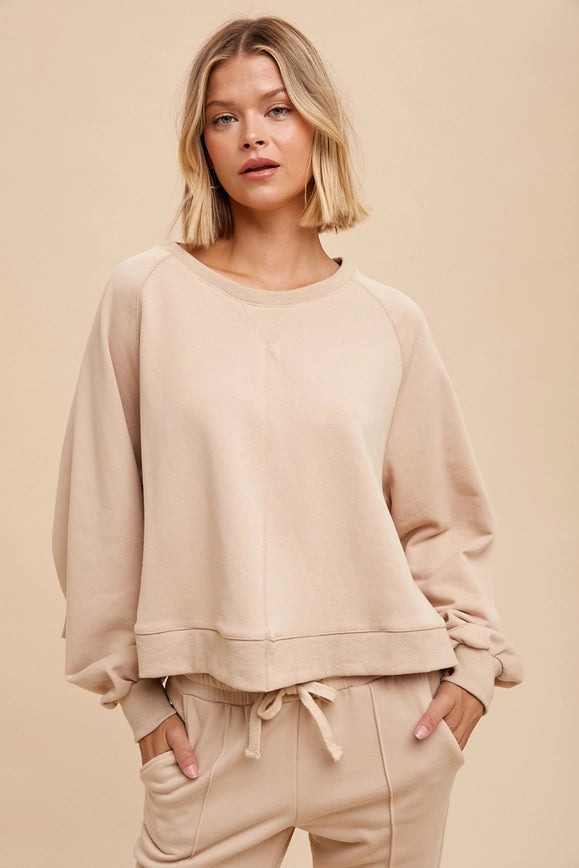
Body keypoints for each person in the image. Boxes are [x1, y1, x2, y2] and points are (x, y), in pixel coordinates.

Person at [52, 15, 523, 868]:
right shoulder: (146, 297)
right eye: (223, 118)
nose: (252, 136)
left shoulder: (387, 322)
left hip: (390, 731)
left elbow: (443, 518)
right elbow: (99, 513)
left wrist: (473, 672)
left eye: (276, 109)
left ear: (317, 124)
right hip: (211, 733)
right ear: (202, 144)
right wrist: (141, 707)